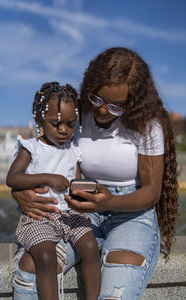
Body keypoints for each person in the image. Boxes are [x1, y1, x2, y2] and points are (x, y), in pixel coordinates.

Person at [11, 47, 178, 300]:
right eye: (97, 99)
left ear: (133, 101)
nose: (101, 111)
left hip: (132, 214)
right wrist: (19, 192)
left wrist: (111, 201)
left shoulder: (148, 125)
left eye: (115, 106)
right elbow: (44, 159)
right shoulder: (76, 114)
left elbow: (152, 191)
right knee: (29, 271)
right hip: (79, 209)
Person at [7, 82, 101, 300]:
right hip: (40, 217)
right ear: (40, 119)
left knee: (90, 246)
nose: (63, 130)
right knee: (46, 258)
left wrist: (84, 192)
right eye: (55, 123)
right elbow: (12, 178)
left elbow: (75, 181)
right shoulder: (31, 148)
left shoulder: (72, 150)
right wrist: (47, 178)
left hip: (70, 215)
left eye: (70, 124)